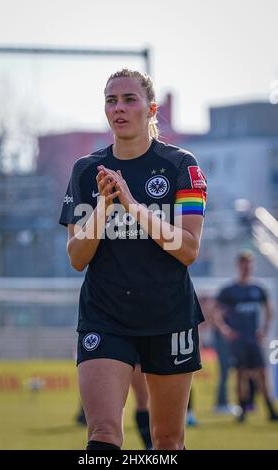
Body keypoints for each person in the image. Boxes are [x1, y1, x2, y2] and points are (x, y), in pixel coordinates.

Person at [58, 68, 207, 450]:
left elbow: (189, 249)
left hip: (168, 315)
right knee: (103, 434)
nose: (119, 108)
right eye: (111, 100)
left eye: (129, 100)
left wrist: (134, 206)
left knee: (167, 441)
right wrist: (104, 207)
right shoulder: (87, 170)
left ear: (151, 109)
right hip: (104, 316)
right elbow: (77, 257)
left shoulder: (180, 166)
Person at [214, 250, 278, 423]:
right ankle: (243, 410)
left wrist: (264, 329)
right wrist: (224, 329)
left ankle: (270, 410)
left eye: (249, 263)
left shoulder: (259, 288)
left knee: (263, 374)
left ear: (253, 265)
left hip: (254, 339)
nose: (246, 267)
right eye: (243, 263)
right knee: (241, 375)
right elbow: (216, 311)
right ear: (238, 266)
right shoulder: (229, 290)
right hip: (238, 340)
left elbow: (269, 310)